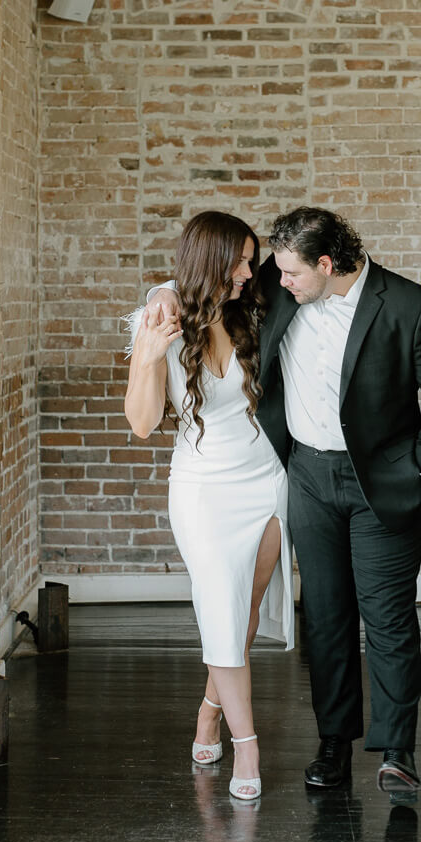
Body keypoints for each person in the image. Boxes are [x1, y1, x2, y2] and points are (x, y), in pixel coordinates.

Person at [146, 206, 421, 802]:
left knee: (388, 617)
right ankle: (333, 742)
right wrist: (162, 296)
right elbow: (202, 277)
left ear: (325, 265)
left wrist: (420, 470)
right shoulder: (280, 279)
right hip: (305, 478)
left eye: (290, 272)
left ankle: (397, 751)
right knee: (324, 617)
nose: (274, 278)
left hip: (382, 482)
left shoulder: (409, 305)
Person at [124, 211, 294, 802]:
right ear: (209, 262)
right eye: (240, 261)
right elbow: (143, 424)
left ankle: (208, 709)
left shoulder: (249, 308)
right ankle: (247, 745)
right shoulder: (160, 323)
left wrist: (168, 290)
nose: (251, 272)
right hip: (203, 492)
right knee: (221, 612)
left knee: (242, 612)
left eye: (252, 259)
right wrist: (148, 353)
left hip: (267, 481)